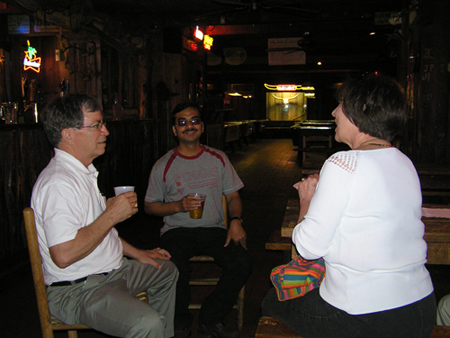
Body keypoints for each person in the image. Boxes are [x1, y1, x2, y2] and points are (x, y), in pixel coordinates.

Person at [261, 73, 436, 338]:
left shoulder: (342, 163)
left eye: (341, 105)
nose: (334, 112)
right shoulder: (403, 161)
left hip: (366, 315)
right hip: (420, 308)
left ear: (361, 110)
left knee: (270, 302)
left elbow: (308, 248)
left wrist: (307, 198)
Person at [31, 94, 178, 338]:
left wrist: (138, 253)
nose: (106, 131)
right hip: (78, 290)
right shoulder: (58, 183)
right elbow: (64, 255)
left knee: (166, 270)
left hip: (113, 272)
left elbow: (98, 234)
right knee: (147, 323)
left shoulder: (83, 172)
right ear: (68, 134)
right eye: (97, 125)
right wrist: (110, 216)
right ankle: (154, 330)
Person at [144, 102, 252, 338]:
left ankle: (211, 317)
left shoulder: (218, 158)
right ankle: (180, 322)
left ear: (202, 127)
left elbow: (233, 196)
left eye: (194, 121)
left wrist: (235, 221)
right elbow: (149, 206)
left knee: (241, 262)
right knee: (175, 266)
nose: (188, 126)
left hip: (214, 229)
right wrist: (177, 206)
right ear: (174, 130)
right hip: (177, 230)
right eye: (181, 122)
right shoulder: (163, 165)